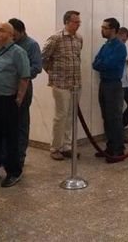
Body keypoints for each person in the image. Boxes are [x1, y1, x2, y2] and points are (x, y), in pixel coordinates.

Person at [0, 22, 30, 187]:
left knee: (10, 138)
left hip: (8, 100)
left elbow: (24, 77)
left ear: (11, 34)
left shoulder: (18, 52)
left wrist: (19, 98)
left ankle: (14, 172)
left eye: (0, 30)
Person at [41, 11, 83, 160]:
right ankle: (55, 148)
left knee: (71, 116)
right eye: (75, 22)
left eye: (79, 22)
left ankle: (66, 146)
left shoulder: (79, 38)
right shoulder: (55, 38)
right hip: (60, 83)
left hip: (75, 83)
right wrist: (53, 74)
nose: (78, 25)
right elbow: (43, 58)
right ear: (67, 22)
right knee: (61, 115)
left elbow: (77, 57)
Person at [7, 18, 42, 169]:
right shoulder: (7, 44)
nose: (12, 38)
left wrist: (21, 74)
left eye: (14, 34)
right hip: (6, 88)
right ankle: (5, 156)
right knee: (7, 124)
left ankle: (19, 157)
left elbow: (37, 67)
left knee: (21, 123)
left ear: (22, 31)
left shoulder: (31, 45)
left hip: (24, 87)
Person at [92, 18, 127, 163]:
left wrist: (102, 64)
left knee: (114, 118)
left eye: (104, 28)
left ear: (113, 30)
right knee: (106, 117)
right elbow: (96, 63)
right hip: (104, 84)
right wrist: (102, 63)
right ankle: (110, 146)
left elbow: (108, 64)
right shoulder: (105, 46)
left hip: (113, 85)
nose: (102, 30)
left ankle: (118, 150)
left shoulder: (120, 46)